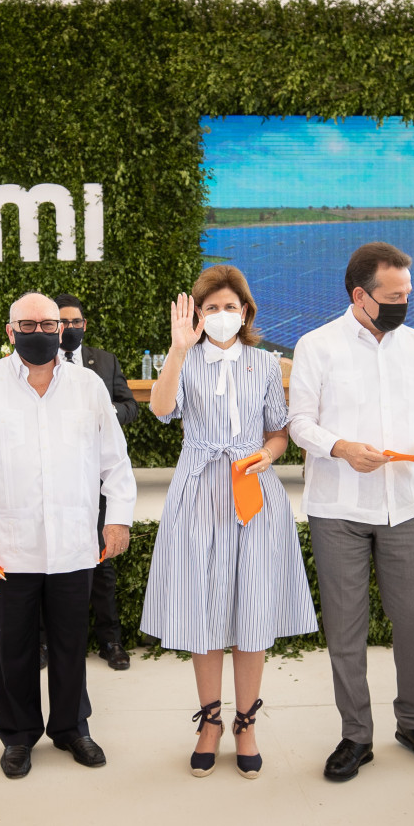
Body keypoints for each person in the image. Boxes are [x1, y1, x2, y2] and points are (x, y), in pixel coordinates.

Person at [0, 292, 137, 779]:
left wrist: (118, 517)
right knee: (12, 646)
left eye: (48, 325)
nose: (39, 333)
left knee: (71, 643)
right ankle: (17, 735)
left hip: (73, 541)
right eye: (27, 325)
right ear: (10, 332)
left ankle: (72, 728)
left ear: (62, 329)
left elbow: (115, 458)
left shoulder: (89, 386)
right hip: (7, 545)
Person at [141, 267, 317, 778]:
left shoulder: (265, 364)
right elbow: (160, 409)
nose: (222, 315)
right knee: (203, 608)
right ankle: (210, 721)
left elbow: (278, 431)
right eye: (212, 307)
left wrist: (267, 454)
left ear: (246, 313)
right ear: (198, 314)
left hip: (252, 492)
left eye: (230, 307)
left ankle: (246, 722)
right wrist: (177, 350)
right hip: (198, 490)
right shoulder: (185, 359)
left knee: (251, 608)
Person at [287, 241, 414, 783]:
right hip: (338, 506)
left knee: (413, 623)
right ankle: (356, 735)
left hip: (407, 503)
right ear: (360, 295)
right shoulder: (317, 345)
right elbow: (299, 423)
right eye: (394, 296)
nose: (405, 303)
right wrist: (340, 448)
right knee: (345, 628)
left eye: (408, 293)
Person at [53, 292, 139, 671]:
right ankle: (45, 642)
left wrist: (102, 413)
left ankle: (110, 641)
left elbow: (130, 406)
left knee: (102, 564)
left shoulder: (104, 361)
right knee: (48, 561)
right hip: (54, 477)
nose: (70, 327)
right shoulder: (38, 362)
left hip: (97, 476)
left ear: (84, 325)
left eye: (76, 321)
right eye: (63, 322)